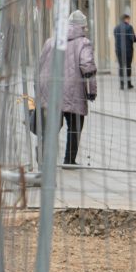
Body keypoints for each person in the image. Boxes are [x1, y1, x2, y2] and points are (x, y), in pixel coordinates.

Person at [37, 10, 97, 166]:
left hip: (50, 90)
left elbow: (40, 65)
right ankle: (69, 161)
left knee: (52, 126)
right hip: (73, 90)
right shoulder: (84, 43)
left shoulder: (51, 41)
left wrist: (38, 88)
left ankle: (43, 156)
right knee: (75, 126)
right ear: (82, 27)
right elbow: (87, 67)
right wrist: (91, 91)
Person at [113, 14, 136, 90]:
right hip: (128, 50)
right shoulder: (129, 27)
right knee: (128, 66)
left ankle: (122, 85)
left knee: (121, 67)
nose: (129, 21)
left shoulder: (116, 28)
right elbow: (132, 38)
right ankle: (129, 84)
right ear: (126, 19)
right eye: (129, 19)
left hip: (119, 50)